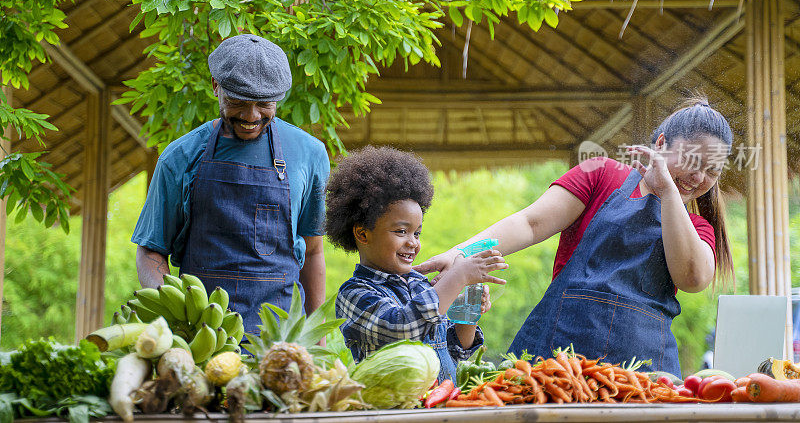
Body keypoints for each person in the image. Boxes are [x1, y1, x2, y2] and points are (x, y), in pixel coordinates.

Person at [417, 99, 734, 376]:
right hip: (557, 365)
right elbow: (530, 223)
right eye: (693, 161)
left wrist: (667, 191)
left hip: (645, 379)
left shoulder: (697, 229)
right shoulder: (600, 173)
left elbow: (693, 277)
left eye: (713, 171)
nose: (699, 177)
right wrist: (461, 253)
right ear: (661, 144)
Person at [132, 34, 330, 334]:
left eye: (264, 103)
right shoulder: (179, 157)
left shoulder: (309, 154)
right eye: (237, 102)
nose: (251, 116)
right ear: (215, 86)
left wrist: (318, 341)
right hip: (201, 336)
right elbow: (150, 252)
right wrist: (170, 322)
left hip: (283, 340)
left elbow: (313, 252)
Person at [326, 146, 507, 383]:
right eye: (401, 231)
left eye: (417, 233)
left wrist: (466, 313)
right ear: (362, 234)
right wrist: (457, 278)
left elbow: (456, 352)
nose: (413, 243)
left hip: (442, 407)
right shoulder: (355, 294)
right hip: (393, 412)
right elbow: (401, 329)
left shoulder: (422, 285)